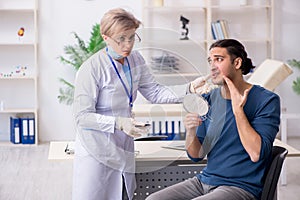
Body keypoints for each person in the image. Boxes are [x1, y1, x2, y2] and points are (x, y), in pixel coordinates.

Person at [72, 8, 207, 200]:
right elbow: (82, 117)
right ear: (106, 37)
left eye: (132, 37)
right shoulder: (91, 69)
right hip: (96, 148)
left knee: (124, 194)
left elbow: (155, 92)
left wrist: (189, 88)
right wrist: (119, 123)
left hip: (123, 143)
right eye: (121, 39)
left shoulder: (135, 59)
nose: (128, 45)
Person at [146, 39, 281, 200]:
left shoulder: (266, 100)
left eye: (219, 59)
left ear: (237, 63)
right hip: (204, 181)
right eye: (210, 60)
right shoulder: (208, 100)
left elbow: (256, 153)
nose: (212, 66)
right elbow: (196, 155)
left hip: (240, 187)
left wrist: (238, 110)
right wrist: (190, 131)